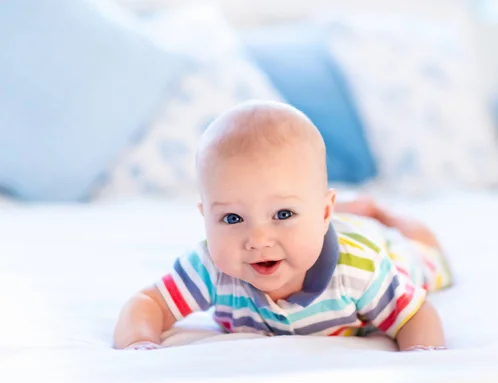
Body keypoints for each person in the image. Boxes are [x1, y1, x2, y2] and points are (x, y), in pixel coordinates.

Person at [113, 101, 452, 351]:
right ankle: (335, 210)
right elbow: (149, 302)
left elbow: (415, 314)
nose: (258, 239)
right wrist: (139, 344)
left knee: (427, 262)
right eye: (232, 218)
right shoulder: (210, 268)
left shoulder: (361, 269)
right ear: (205, 219)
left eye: (283, 214)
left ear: (323, 214)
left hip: (375, 246)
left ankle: (380, 213)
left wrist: (419, 361)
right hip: (324, 224)